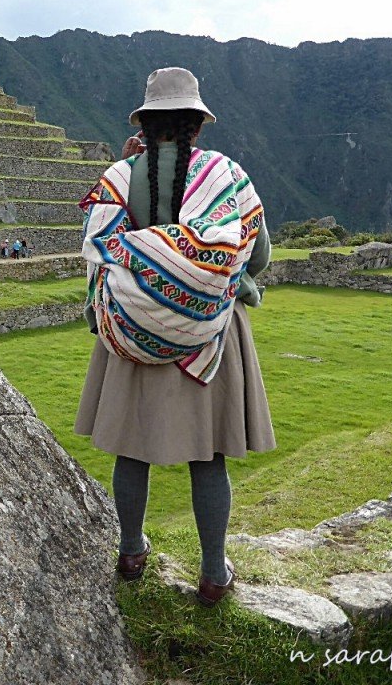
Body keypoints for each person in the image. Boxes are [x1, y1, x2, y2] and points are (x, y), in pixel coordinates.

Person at [74, 67, 274, 607]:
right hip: (209, 338)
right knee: (209, 457)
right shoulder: (227, 175)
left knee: (130, 451)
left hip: (131, 334)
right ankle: (213, 573)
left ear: (147, 122)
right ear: (196, 124)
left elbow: (97, 250)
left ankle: (132, 551)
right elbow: (255, 255)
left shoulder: (120, 175)